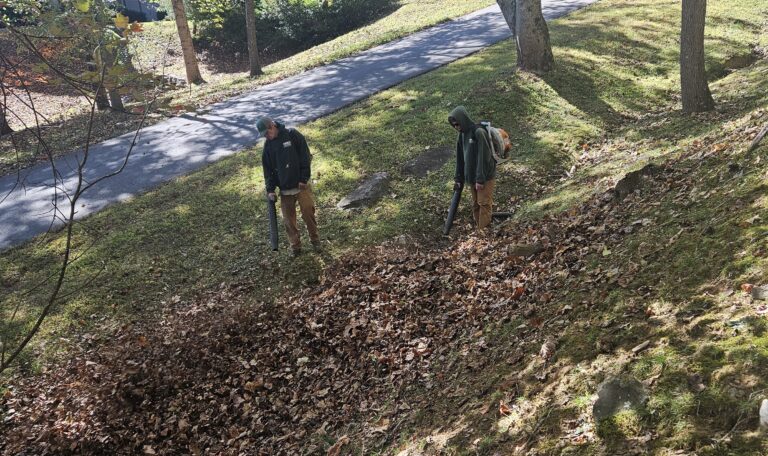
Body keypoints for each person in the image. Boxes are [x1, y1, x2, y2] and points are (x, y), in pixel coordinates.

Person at [257, 116, 320, 255]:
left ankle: (315, 240)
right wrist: (270, 189)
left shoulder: (292, 135)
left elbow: (305, 156)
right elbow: (268, 170)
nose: (267, 136)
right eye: (264, 135)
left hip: (301, 185)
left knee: (308, 212)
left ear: (272, 125)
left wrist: (304, 178)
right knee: (288, 221)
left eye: (267, 133)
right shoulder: (268, 146)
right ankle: (295, 246)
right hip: (285, 190)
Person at [449, 106, 496, 230]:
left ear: (463, 120)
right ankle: (480, 229)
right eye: (453, 125)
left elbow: (484, 158)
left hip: (484, 176)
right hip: (471, 177)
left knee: (484, 203)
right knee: (475, 205)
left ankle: (483, 232)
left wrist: (480, 180)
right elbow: (460, 158)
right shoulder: (461, 136)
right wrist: (458, 178)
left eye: (457, 124)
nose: (456, 127)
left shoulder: (478, 132)